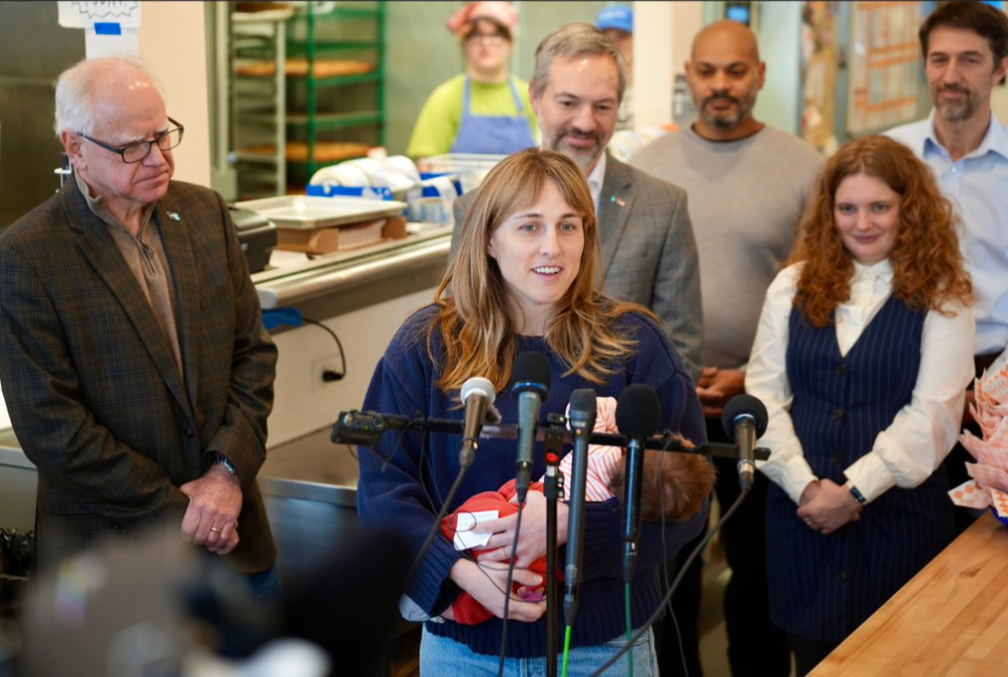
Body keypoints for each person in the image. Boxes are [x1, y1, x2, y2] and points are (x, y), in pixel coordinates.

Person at [357, 147, 711, 673]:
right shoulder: (427, 344)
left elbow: (689, 503)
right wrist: (461, 573)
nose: (553, 247)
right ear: (488, 240)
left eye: (569, 226)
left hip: (603, 649)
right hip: (462, 651)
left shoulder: (635, 343)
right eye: (530, 227)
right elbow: (384, 490)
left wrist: (571, 527)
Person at [0, 57, 279, 594]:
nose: (159, 158)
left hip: (235, 540)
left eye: (164, 134)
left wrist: (224, 475)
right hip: (111, 560)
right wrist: (182, 510)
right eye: (133, 145)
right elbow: (51, 426)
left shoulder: (205, 213)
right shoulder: (28, 254)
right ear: (75, 147)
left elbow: (252, 356)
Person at [630, 20, 823, 677]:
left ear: (761, 75)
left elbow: (819, 297)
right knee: (670, 571)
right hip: (666, 405)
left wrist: (751, 372)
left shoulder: (805, 168)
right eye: (707, 71)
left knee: (759, 575)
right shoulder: (646, 167)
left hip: (765, 405)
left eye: (735, 72)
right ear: (687, 75)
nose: (720, 85)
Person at [746, 135, 974, 676]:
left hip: (901, 523)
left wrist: (852, 491)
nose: (862, 223)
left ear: (908, 209)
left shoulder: (943, 293)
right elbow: (763, 399)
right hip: (801, 521)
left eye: (880, 207)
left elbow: (935, 416)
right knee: (812, 660)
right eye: (847, 208)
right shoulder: (790, 285)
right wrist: (807, 487)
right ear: (829, 212)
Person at [454, 23, 705, 382]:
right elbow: (464, 334)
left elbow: (681, 356)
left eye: (603, 106)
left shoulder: (664, 207)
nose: (585, 123)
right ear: (535, 97)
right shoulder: (475, 210)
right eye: (568, 103)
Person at [886, 0, 1008, 535]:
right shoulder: (888, 157)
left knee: (985, 553)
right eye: (938, 60)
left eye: (969, 60)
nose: (951, 76)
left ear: (1001, 68)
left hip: (997, 390)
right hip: (898, 370)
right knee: (902, 536)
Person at [406, 1, 537, 159]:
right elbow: (427, 164)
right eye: (476, 35)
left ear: (511, 43)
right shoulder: (445, 97)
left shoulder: (530, 96)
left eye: (496, 35)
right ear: (463, 43)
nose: (485, 43)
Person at [595, 4, 634, 131]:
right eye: (604, 37)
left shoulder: (655, 88)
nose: (612, 44)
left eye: (622, 37)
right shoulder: (589, 87)